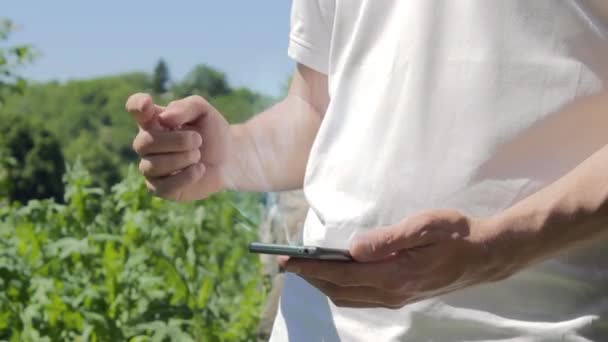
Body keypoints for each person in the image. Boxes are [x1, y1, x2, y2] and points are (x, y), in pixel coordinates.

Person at [126, 0, 608, 340]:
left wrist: (499, 248)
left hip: (540, 326)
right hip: (319, 325)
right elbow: (318, 107)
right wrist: (230, 153)